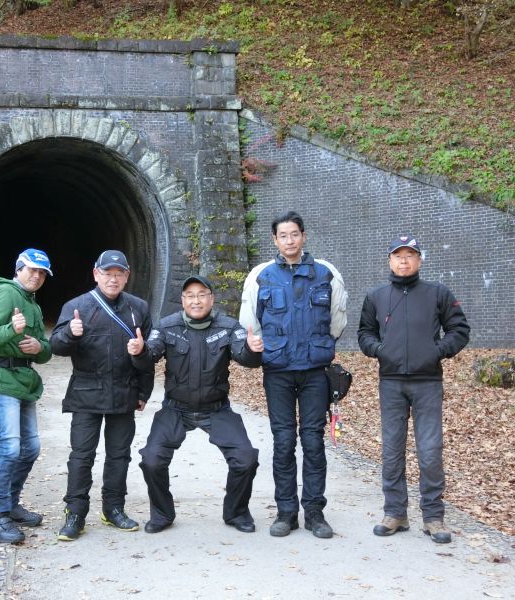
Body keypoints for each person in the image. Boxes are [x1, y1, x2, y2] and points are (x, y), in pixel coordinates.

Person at [239, 211, 347, 539]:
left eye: (294, 234)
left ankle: (314, 512)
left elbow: (337, 320)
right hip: (278, 372)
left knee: (313, 441)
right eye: (283, 235)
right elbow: (250, 322)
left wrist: (318, 346)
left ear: (303, 236)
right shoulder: (261, 276)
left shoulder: (326, 273)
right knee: (284, 441)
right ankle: (286, 512)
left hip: (314, 372)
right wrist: (267, 348)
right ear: (275, 240)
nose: (289, 240)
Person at [129, 275, 264, 534]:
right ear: (182, 301)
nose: (196, 300)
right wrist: (140, 351)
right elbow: (150, 354)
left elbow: (245, 357)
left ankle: (236, 512)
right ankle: (162, 514)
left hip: (217, 408)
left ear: (212, 299)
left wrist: (252, 349)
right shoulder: (167, 326)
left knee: (246, 459)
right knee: (152, 460)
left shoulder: (228, 327)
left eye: (202, 295)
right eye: (190, 296)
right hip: (175, 408)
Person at [358, 235, 469, 544]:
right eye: (398, 255)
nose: (404, 260)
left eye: (410, 255)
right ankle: (395, 513)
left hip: (427, 382)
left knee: (430, 451)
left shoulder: (437, 293)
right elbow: (365, 333)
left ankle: (433, 517)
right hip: (391, 383)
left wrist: (436, 351)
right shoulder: (376, 296)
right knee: (392, 450)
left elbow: (459, 330)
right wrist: (380, 350)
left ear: (419, 260)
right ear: (390, 260)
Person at [50, 250, 155, 541]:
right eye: (108, 273)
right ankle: (75, 513)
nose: (113, 279)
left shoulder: (138, 308)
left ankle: (114, 508)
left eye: (119, 274)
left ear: (127, 276)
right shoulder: (77, 306)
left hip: (124, 392)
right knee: (81, 456)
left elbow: (150, 355)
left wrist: (143, 389)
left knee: (119, 456)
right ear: (96, 274)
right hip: (86, 392)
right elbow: (55, 347)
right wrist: (70, 333)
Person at [0, 249, 54, 544]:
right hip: (1, 379)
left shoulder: (32, 304)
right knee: (9, 448)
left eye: (42, 273)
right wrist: (11, 329)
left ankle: (10, 504)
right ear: (19, 268)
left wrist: (40, 348)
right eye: (32, 270)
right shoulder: (5, 293)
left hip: (24, 380)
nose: (37, 276)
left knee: (30, 448)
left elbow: (44, 350)